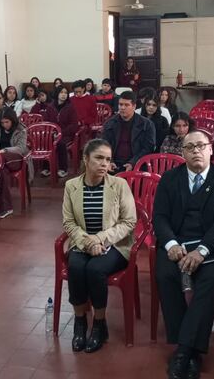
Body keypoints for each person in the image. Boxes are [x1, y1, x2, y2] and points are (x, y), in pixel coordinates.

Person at [152, 130, 214, 379]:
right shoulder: (169, 179)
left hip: (213, 246)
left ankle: (184, 352)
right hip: (178, 243)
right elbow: (159, 217)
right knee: (165, 274)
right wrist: (171, 243)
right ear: (182, 153)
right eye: (190, 147)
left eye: (201, 146)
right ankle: (190, 348)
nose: (196, 151)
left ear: (211, 149)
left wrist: (201, 251)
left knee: (210, 279)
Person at [62, 139, 137, 354]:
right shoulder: (71, 186)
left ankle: (99, 324)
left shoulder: (119, 185)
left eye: (107, 159)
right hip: (82, 242)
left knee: (95, 269)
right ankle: (80, 322)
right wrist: (88, 241)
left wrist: (101, 239)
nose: (104, 164)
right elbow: (68, 222)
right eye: (98, 158)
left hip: (114, 244)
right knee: (76, 267)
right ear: (86, 159)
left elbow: (129, 221)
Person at [0, 108, 29, 219]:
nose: (4, 125)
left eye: (7, 122)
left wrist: (5, 150)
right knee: (1, 170)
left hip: (16, 158)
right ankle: (6, 207)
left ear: (13, 120)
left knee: (1, 160)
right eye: (2, 122)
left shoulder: (21, 129)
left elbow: (22, 148)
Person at [102, 91, 156, 173]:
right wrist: (110, 161)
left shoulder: (146, 124)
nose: (122, 108)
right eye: (120, 104)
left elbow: (148, 148)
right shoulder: (110, 123)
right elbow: (104, 144)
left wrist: (133, 162)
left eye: (126, 105)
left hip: (137, 163)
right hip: (114, 163)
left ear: (134, 106)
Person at [50, 85, 78, 178]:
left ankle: (63, 169)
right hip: (52, 134)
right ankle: (47, 168)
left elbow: (73, 125)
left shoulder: (71, 107)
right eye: (61, 92)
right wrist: (52, 132)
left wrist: (61, 133)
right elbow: (47, 122)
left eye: (65, 93)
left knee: (60, 143)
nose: (63, 95)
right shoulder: (50, 107)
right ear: (57, 93)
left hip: (66, 134)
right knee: (46, 142)